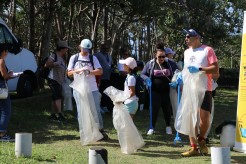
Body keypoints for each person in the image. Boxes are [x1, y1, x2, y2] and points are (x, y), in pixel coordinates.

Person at [174, 29, 219, 157]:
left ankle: (202, 138)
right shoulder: (186, 52)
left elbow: (215, 69)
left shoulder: (207, 50)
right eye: (185, 36)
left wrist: (200, 69)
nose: (186, 38)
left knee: (204, 119)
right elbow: (185, 69)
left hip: (205, 88)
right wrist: (180, 76)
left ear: (197, 38)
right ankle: (194, 147)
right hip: (189, 89)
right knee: (189, 118)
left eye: (189, 36)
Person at [67, 39, 108, 141]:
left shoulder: (92, 58)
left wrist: (89, 72)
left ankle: (100, 131)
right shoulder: (74, 58)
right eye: (84, 48)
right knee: (81, 111)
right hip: (79, 89)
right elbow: (69, 73)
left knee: (96, 110)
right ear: (80, 47)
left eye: (88, 49)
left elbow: (100, 71)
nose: (86, 51)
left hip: (92, 88)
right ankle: (85, 133)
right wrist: (78, 70)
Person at [141, 43, 173, 135]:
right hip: (154, 91)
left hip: (167, 91)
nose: (162, 58)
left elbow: (177, 72)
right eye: (159, 57)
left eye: (163, 56)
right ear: (156, 55)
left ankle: (168, 126)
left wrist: (176, 80)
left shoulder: (170, 63)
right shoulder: (150, 63)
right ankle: (152, 127)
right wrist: (147, 79)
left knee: (167, 109)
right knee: (154, 109)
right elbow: (142, 74)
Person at [45, 40, 69, 122]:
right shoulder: (53, 56)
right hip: (53, 79)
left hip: (59, 80)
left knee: (54, 98)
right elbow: (46, 64)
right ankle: (60, 115)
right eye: (66, 48)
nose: (67, 50)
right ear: (62, 49)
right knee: (58, 97)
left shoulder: (62, 57)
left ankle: (53, 114)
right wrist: (56, 63)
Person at [0, 43, 18, 141]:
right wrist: (12, 75)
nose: (7, 53)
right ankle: (2, 134)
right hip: (1, 88)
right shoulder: (1, 61)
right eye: (5, 51)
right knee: (5, 111)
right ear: (2, 51)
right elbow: (4, 76)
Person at [94, 42, 113, 113]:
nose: (106, 49)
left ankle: (104, 106)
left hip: (107, 76)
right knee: (100, 92)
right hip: (100, 77)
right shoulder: (97, 55)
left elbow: (109, 64)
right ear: (101, 48)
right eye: (104, 48)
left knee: (106, 92)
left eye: (107, 48)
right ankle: (99, 106)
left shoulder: (109, 55)